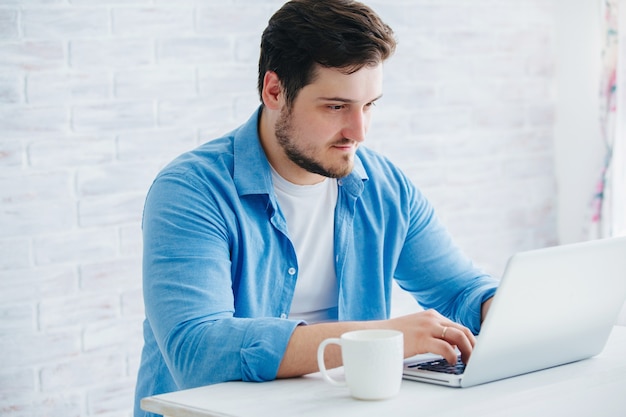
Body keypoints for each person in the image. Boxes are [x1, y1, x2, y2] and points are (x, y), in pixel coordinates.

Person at [134, 0, 498, 415]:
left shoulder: (384, 187)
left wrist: (514, 310)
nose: (358, 131)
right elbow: (199, 350)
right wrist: (379, 337)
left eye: (370, 105)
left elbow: (462, 290)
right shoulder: (191, 190)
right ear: (274, 91)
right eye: (336, 107)